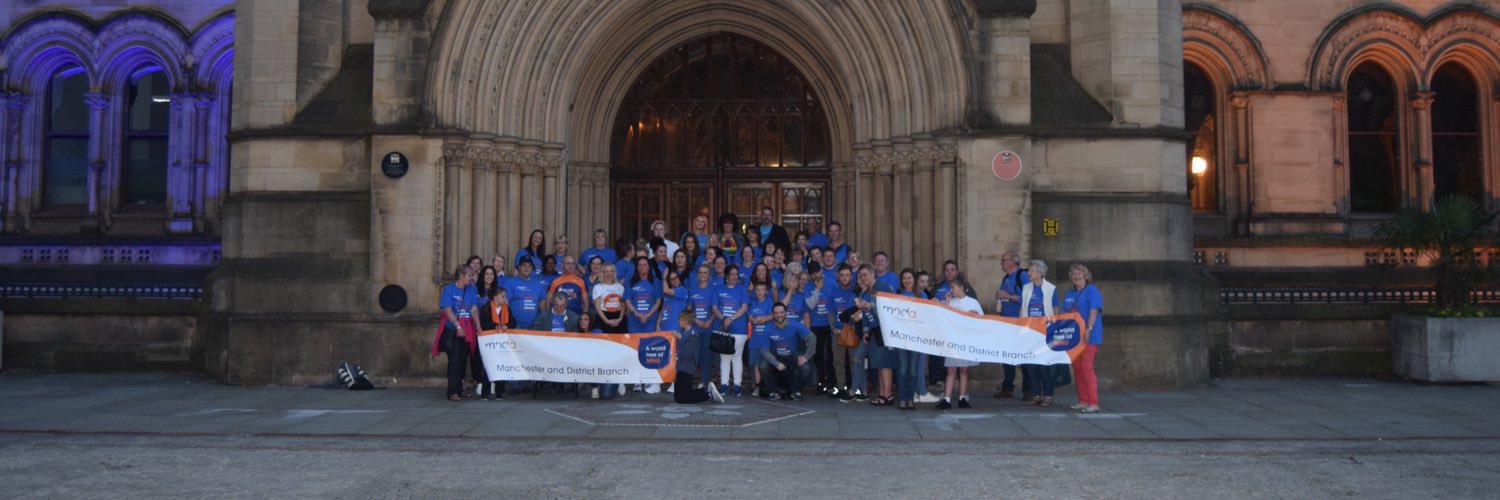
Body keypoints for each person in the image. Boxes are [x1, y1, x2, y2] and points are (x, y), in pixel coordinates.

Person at [848, 264, 895, 406]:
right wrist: (866, 330)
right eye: (861, 275)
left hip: (885, 330)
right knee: (880, 363)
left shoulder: (883, 288)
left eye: (865, 275)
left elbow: (888, 309)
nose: (863, 278)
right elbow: (866, 315)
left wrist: (870, 306)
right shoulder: (868, 291)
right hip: (874, 331)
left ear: (873, 274)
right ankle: (882, 392)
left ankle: (887, 395)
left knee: (885, 363)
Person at [1018, 259, 1061, 407]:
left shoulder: (1050, 288)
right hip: (1029, 331)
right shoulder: (1026, 288)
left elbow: (1055, 308)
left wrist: (1055, 328)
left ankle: (1048, 395)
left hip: (1045, 331)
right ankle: (1036, 394)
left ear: (1040, 273)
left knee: (1044, 366)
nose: (1029, 273)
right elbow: (1023, 308)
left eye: (1031, 271)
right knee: (1031, 364)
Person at [435, 266, 481, 401]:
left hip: (467, 329)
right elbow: (447, 309)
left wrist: (478, 327)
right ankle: (453, 391)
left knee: (462, 360)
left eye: (471, 275)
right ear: (461, 275)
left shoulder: (471, 290)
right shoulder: (449, 289)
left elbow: (473, 310)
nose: (471, 277)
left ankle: (459, 388)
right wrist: (457, 325)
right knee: (454, 360)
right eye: (468, 275)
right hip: (452, 329)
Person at [1063, 263, 1104, 413]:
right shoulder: (1069, 294)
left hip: (1090, 335)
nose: (1076, 276)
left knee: (1086, 367)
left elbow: (1093, 311)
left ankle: (1093, 403)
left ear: (1086, 276)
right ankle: (1083, 400)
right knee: (1078, 368)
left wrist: (1089, 329)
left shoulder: (1092, 290)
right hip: (1074, 336)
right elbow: (1065, 315)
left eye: (1079, 273)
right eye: (1074, 274)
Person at [936, 279, 981, 410]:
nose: (951, 290)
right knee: (950, 369)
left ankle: (962, 397)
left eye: (953, 288)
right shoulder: (952, 302)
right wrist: (948, 301)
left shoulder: (972, 302)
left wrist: (975, 314)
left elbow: (980, 319)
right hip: (953, 340)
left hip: (966, 340)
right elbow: (944, 316)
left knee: (964, 369)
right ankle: (947, 398)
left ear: (961, 288)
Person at [757, 302, 815, 401]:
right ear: (773, 314)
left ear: (786, 312)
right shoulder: (768, 328)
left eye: (781, 312)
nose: (779, 315)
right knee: (762, 365)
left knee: (806, 367)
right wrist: (776, 363)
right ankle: (773, 392)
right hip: (775, 356)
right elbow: (763, 350)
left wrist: (806, 356)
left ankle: (796, 392)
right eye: (776, 313)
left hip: (792, 355)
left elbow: (812, 337)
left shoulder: (795, 324)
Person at [993, 251, 1030, 399]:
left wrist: (1007, 296)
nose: (1001, 262)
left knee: (1024, 357)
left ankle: (1028, 389)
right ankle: (1008, 387)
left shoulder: (1022, 276)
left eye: (1003, 260)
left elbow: (1028, 297)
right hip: (1006, 323)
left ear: (1012, 261)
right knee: (1006, 357)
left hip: (1019, 323)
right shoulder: (1006, 277)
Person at [671, 310, 724, 404]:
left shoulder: (693, 336)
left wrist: (680, 340)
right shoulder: (684, 333)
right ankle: (706, 391)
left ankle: (707, 394)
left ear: (685, 321)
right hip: (680, 368)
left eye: (679, 320)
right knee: (679, 397)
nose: (678, 322)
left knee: (682, 398)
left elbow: (685, 353)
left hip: (687, 368)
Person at [591, 263, 628, 399]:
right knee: (599, 353)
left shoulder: (620, 287)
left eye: (612, 271)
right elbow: (597, 306)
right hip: (602, 319)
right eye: (606, 271)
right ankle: (595, 386)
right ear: (602, 272)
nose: (609, 273)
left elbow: (623, 305)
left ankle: (620, 381)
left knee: (619, 351)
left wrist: (619, 318)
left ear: (615, 273)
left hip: (618, 319)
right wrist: (606, 321)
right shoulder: (597, 287)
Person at [714, 266, 750, 397]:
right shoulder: (718, 289)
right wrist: (724, 319)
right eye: (732, 274)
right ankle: (724, 385)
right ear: (726, 276)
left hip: (739, 329)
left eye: (736, 274)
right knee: (724, 357)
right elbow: (714, 307)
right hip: (724, 328)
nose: (734, 277)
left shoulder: (742, 289)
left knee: (737, 357)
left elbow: (744, 307)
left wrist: (731, 318)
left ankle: (737, 386)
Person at [828, 263, 859, 400]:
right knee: (838, 361)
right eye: (842, 275)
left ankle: (854, 389)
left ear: (851, 276)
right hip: (838, 332)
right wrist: (832, 327)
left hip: (852, 331)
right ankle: (841, 388)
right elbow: (830, 312)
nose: (845, 278)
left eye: (847, 275)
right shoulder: (833, 292)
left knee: (854, 361)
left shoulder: (856, 292)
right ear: (838, 277)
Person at [894, 269, 924, 410]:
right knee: (902, 369)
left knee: (913, 370)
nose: (907, 280)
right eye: (904, 278)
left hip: (916, 339)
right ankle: (902, 398)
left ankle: (910, 398)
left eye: (909, 278)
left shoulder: (921, 295)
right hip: (901, 338)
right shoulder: (897, 295)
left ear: (914, 279)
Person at [687, 263, 720, 385]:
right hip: (695, 327)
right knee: (695, 356)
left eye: (705, 273)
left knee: (706, 357)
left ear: (709, 275)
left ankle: (704, 381)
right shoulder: (693, 290)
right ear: (697, 275)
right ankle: (689, 381)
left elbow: (715, 309)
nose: (702, 275)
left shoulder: (713, 290)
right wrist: (697, 321)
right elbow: (689, 309)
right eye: (700, 272)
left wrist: (709, 322)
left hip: (708, 328)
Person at [475, 286, 510, 400]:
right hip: (490, 341)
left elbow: (513, 321)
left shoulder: (506, 308)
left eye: (505, 296)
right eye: (503, 296)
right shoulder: (486, 308)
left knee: (501, 366)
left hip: (502, 342)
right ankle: (485, 393)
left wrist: (507, 325)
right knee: (488, 367)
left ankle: (499, 393)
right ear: (495, 297)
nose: (505, 298)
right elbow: (483, 323)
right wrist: (494, 326)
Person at [744, 281, 775, 397]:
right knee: (755, 364)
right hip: (755, 338)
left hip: (766, 338)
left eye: (762, 290)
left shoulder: (769, 302)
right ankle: (757, 385)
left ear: (766, 291)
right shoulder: (752, 302)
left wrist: (764, 318)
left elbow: (773, 315)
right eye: (758, 290)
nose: (760, 292)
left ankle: (766, 385)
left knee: (766, 363)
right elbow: (750, 316)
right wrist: (753, 319)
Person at [504, 259, 547, 331]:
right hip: (515, 327)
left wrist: (544, 323)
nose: (527, 268)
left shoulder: (538, 284)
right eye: (524, 265)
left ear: (532, 269)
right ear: (519, 267)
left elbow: (542, 305)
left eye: (529, 266)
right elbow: (505, 304)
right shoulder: (510, 283)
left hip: (534, 327)